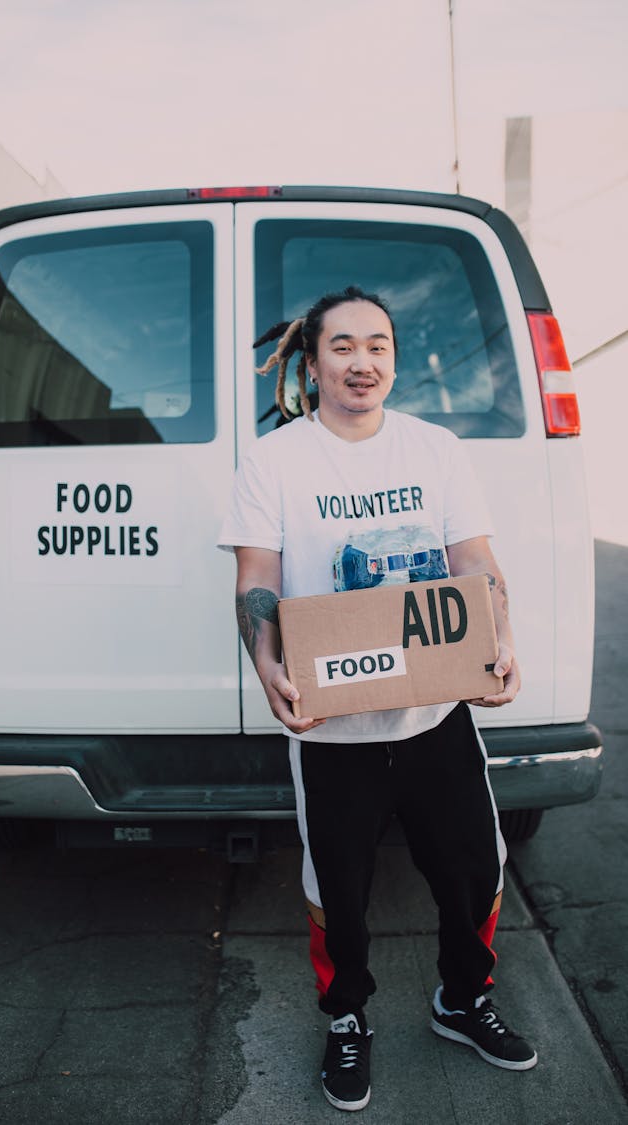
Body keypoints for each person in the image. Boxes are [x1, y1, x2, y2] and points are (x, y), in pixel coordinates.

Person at [217, 286, 537, 1113]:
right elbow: (257, 580)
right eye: (344, 347)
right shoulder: (276, 460)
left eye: (379, 346)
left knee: (474, 869)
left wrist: (499, 638)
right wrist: (267, 663)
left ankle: (463, 1000)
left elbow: (475, 560)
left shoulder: (435, 449)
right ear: (312, 361)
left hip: (435, 715)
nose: (363, 362)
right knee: (341, 892)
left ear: (393, 359)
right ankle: (347, 1017)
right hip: (332, 728)